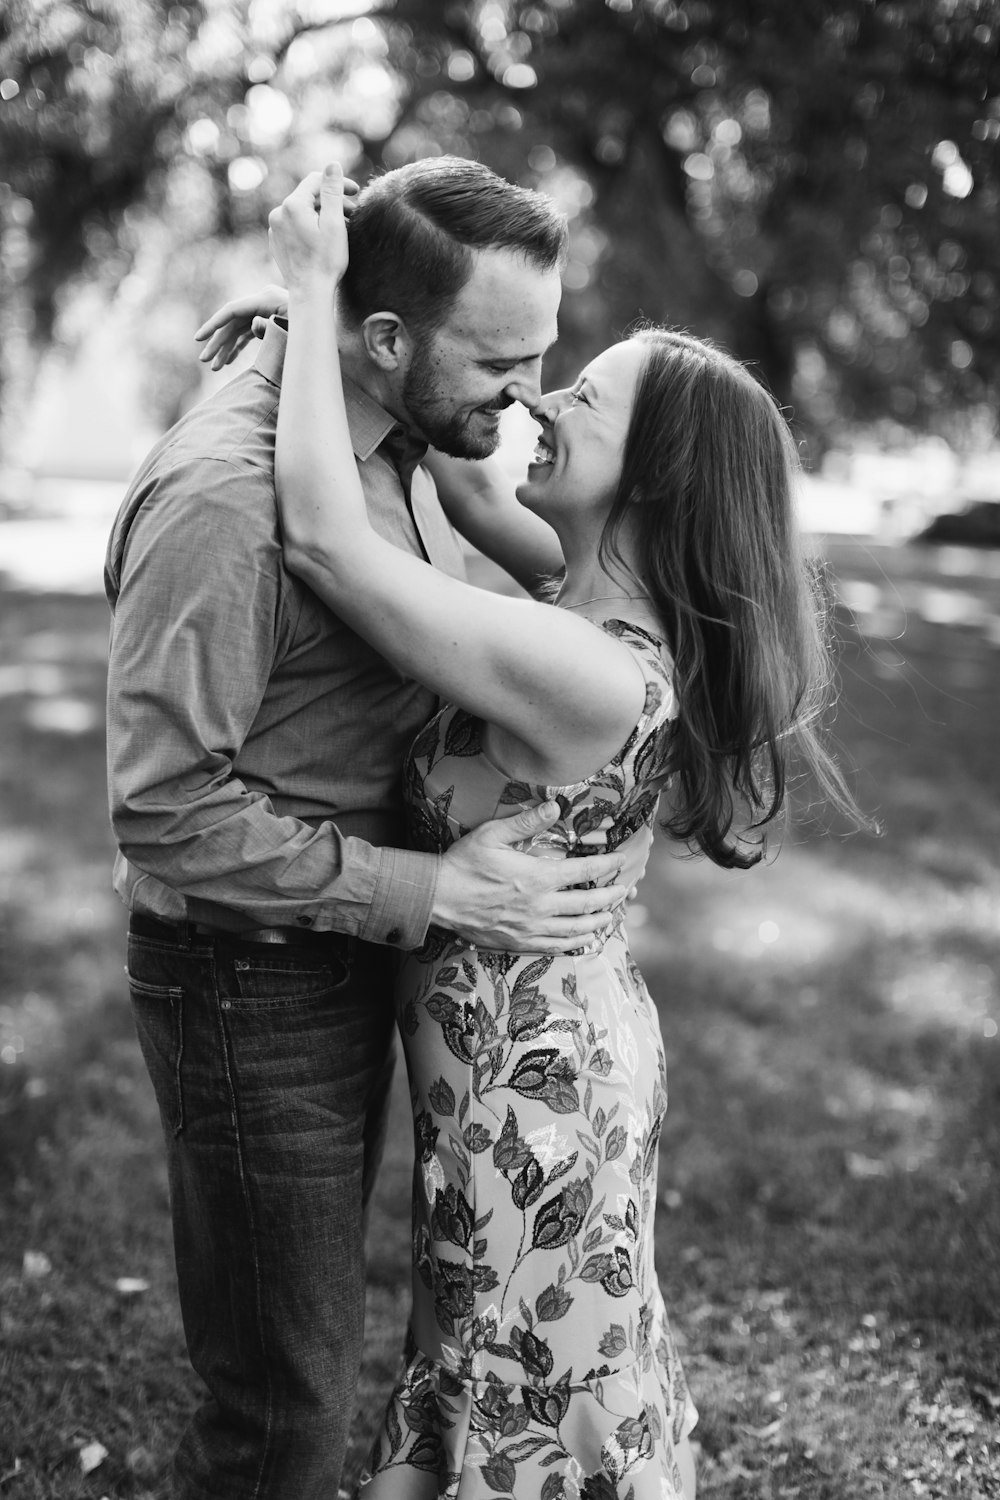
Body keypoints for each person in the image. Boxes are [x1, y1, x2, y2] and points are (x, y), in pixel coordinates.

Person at [224, 163, 867, 1500]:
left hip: (541, 1087)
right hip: (531, 1061)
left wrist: (311, 284)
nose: (541, 395)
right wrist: (396, 350)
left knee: (534, 1379)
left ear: (655, 476)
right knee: (503, 1352)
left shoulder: (588, 669)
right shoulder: (573, 592)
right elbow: (465, 490)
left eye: (583, 393)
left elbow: (334, 551)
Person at [104, 156, 645, 1500]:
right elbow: (165, 812)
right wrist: (434, 889)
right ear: (388, 339)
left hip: (343, 952)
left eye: (545, 355)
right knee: (284, 1409)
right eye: (500, 359)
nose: (525, 393)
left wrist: (299, 310)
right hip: (250, 977)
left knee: (316, 1362)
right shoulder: (232, 504)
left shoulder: (395, 433)